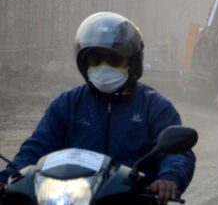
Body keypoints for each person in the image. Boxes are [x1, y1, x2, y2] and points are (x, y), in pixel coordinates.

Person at [0, 12, 196, 204]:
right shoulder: (68, 103)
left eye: (113, 60)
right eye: (95, 60)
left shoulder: (155, 106)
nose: (103, 67)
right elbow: (37, 146)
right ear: (84, 64)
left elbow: (177, 152)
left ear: (132, 62)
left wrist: (170, 177)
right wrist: (7, 177)